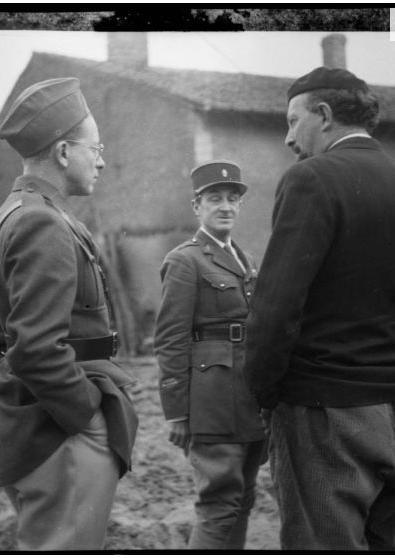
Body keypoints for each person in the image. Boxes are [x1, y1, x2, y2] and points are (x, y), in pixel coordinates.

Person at [243, 67, 395, 551]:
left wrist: (265, 390)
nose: (288, 137)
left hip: (324, 410)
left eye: (294, 121)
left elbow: (275, 309)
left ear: (325, 115)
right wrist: (394, 363)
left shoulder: (310, 179)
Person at [0, 77, 138, 550]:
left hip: (45, 425)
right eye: (97, 148)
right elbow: (35, 348)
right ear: (65, 151)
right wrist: (87, 416)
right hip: (62, 435)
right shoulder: (40, 221)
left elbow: (2, 326)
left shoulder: (16, 212)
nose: (103, 161)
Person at [154, 161, 267, 549]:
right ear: (196, 206)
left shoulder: (246, 259)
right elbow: (170, 339)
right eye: (214, 199)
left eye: (232, 199)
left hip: (248, 398)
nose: (225, 207)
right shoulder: (185, 260)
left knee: (244, 498)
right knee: (219, 503)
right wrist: (177, 411)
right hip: (213, 401)